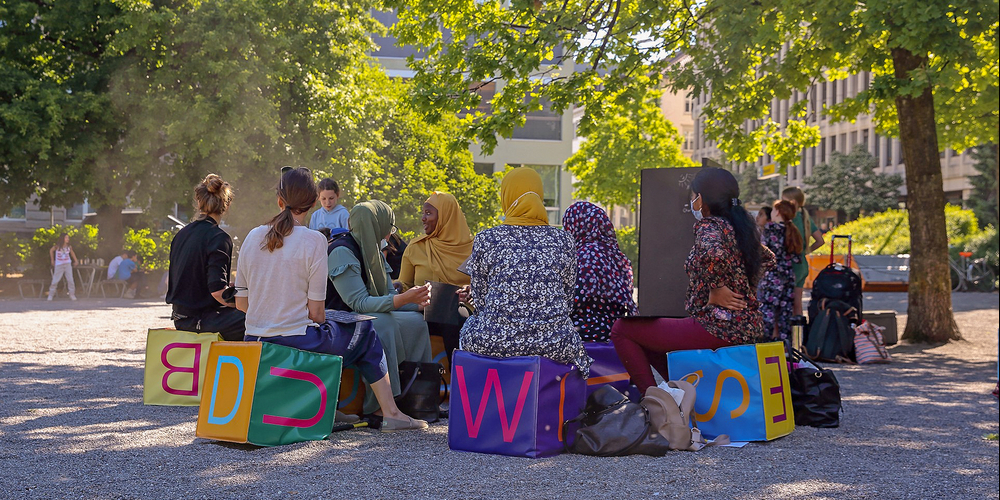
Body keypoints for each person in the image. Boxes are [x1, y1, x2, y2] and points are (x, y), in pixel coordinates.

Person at [235, 167, 426, 432]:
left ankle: (329, 408)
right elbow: (317, 314)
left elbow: (242, 305)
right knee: (364, 329)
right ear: (314, 203)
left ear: (279, 200)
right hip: (295, 339)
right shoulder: (314, 240)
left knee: (338, 329)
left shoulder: (251, 236)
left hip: (254, 339)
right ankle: (391, 413)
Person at [610, 167, 773, 393]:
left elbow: (711, 254)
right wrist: (746, 289)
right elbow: (768, 258)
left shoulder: (710, 225)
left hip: (717, 326)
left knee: (622, 329)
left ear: (701, 199)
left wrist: (717, 288)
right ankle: (685, 392)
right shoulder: (740, 228)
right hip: (746, 325)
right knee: (648, 337)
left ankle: (657, 403)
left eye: (694, 195)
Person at [459, 167, 591, 376]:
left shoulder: (486, 239)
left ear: (507, 196)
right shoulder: (564, 240)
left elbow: (481, 300)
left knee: (467, 326)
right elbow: (567, 300)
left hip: (495, 342)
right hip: (556, 343)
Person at [326, 200, 434, 416]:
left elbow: (387, 295)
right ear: (376, 225)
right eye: (388, 226)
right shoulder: (342, 251)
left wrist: (418, 303)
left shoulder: (373, 251)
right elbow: (358, 303)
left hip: (365, 312)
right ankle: (380, 406)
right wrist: (403, 300)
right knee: (383, 323)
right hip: (338, 317)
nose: (389, 233)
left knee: (416, 322)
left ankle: (414, 395)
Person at [166, 174, 245, 341]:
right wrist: (245, 303)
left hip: (181, 317)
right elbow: (217, 292)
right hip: (200, 319)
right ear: (227, 204)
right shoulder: (219, 238)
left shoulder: (181, 234)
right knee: (257, 320)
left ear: (199, 202)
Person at [399, 192, 474, 361]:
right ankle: (409, 381)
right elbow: (404, 283)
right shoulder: (416, 247)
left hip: (458, 312)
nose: (423, 218)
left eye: (428, 213)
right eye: (423, 213)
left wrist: (470, 291)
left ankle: (461, 377)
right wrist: (397, 287)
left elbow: (484, 286)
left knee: (452, 315)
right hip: (421, 310)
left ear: (446, 216)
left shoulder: (473, 249)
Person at [562, 201, 637, 343]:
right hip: (614, 330)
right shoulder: (616, 255)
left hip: (587, 332)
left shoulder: (585, 255)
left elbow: (573, 301)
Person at [757, 200, 802, 342]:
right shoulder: (793, 231)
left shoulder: (770, 228)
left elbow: (762, 252)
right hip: (788, 277)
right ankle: (785, 348)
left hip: (772, 278)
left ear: (777, 212)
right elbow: (797, 259)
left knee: (767, 314)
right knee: (785, 316)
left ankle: (765, 347)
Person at [781, 186, 825, 316]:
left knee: (784, 303)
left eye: (784, 200)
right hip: (801, 264)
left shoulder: (789, 219)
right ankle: (798, 333)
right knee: (797, 303)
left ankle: (785, 334)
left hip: (789, 265)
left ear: (792, 202)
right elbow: (820, 241)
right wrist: (805, 251)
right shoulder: (805, 218)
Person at [47, 233, 78, 301]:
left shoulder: (69, 247)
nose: (67, 239)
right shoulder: (57, 246)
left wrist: (75, 260)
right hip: (59, 264)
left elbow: (72, 253)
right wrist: (52, 260)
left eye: (68, 238)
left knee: (70, 280)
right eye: (66, 238)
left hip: (67, 264)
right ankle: (51, 294)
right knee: (55, 280)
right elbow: (51, 250)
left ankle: (72, 294)